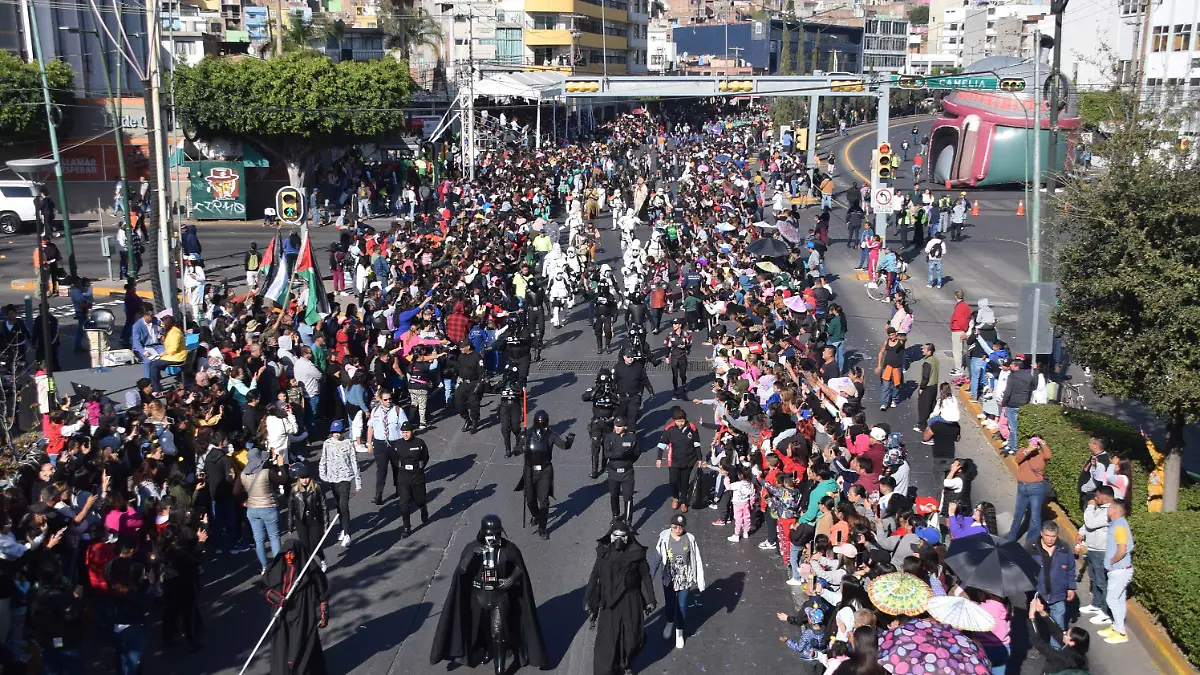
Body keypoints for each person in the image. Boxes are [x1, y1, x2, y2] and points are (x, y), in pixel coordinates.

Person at [430, 515, 548, 674]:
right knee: (483, 628)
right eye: (489, 535)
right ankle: (490, 650)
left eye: (495, 534)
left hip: (499, 595)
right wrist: (473, 554)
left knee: (498, 631)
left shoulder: (509, 548)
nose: (492, 539)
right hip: (478, 595)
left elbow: (520, 568)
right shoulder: (472, 547)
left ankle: (499, 669)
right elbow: (462, 571)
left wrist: (510, 580)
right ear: (483, 533)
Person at [586, 518, 655, 675]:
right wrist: (588, 598)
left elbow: (645, 576)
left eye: (622, 535)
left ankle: (626, 660)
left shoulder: (636, 553)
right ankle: (607, 669)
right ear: (611, 535)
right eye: (615, 535)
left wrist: (651, 599)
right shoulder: (603, 552)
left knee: (632, 636)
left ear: (627, 537)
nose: (619, 539)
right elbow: (595, 574)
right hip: (609, 600)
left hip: (631, 598)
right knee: (608, 638)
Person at [263, 538, 330, 675]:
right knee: (283, 646)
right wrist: (277, 598)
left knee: (301, 645)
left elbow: (322, 588)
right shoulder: (278, 567)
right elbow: (266, 587)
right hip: (282, 614)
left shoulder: (309, 568)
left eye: (292, 553)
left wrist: (324, 609)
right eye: (286, 553)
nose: (289, 557)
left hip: (303, 612)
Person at [648, 513, 706, 650]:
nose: (678, 529)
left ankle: (679, 632)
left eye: (680, 527)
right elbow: (656, 558)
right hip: (669, 578)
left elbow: (697, 559)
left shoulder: (690, 539)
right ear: (671, 526)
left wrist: (700, 580)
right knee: (669, 604)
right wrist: (649, 578)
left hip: (685, 578)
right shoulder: (664, 538)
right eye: (675, 527)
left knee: (682, 606)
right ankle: (669, 622)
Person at [515, 410, 576, 539]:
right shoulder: (526, 435)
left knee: (543, 500)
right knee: (530, 500)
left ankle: (542, 527)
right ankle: (537, 515)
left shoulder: (551, 435)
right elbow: (516, 451)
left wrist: (569, 441)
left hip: (545, 470)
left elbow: (564, 446)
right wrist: (522, 449)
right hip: (529, 470)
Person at [1028, 521, 1077, 648]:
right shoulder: (1030, 548)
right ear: (1041, 534)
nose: (1050, 539)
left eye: (1053, 536)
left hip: (1058, 593)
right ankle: (1038, 646)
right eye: (1047, 535)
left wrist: (1071, 587)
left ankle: (1056, 649)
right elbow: (1023, 568)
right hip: (1037, 593)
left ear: (1057, 535)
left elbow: (1071, 569)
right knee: (1036, 621)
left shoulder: (1064, 548)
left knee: (1058, 622)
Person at [242, 448, 288, 575]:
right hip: (268, 507)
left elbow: (235, 491)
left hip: (252, 509)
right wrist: (281, 465)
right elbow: (283, 480)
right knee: (274, 537)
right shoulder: (266, 473)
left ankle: (264, 567)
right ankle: (279, 566)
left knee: (259, 540)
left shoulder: (243, 474)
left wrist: (243, 501)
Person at [319, 419, 361, 547]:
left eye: (338, 432)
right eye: (334, 432)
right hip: (332, 478)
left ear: (343, 432)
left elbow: (354, 462)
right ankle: (343, 528)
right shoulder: (327, 443)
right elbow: (323, 460)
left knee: (344, 505)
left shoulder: (348, 443)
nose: (336, 434)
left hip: (345, 478)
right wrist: (323, 475)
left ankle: (348, 534)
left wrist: (358, 482)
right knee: (338, 506)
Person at [1099, 499, 1134, 645]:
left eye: (1110, 506)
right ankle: (1116, 627)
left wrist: (1112, 562)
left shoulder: (1119, 526)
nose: (1108, 509)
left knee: (1111, 600)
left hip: (1119, 570)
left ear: (1115, 510)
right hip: (1120, 570)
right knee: (1119, 599)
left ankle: (1121, 632)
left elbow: (1122, 549)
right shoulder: (1118, 524)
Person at [655, 407, 703, 512]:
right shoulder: (669, 429)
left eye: (682, 421)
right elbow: (662, 444)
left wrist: (700, 458)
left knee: (684, 481)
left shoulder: (692, 427)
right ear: (674, 420)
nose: (680, 423)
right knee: (673, 481)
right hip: (673, 460)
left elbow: (696, 443)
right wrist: (659, 458)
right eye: (678, 421)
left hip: (689, 459)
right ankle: (675, 498)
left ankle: (684, 501)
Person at [1077, 485, 1112, 626]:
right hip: (1092, 548)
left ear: (1105, 498)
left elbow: (1091, 522)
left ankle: (1105, 611)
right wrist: (1081, 532)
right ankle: (1096, 604)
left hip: (1101, 551)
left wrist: (1090, 507)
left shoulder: (1109, 511)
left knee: (1102, 581)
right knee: (1093, 579)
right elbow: (1087, 524)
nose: (1094, 499)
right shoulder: (1100, 508)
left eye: (1097, 497)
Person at [1028, 596, 1090, 674]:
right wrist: (1042, 612)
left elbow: (1037, 642)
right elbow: (1056, 631)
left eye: (1067, 634)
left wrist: (1031, 616)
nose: (1064, 633)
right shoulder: (1078, 654)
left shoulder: (1063, 657)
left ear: (1072, 642)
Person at [1006, 436, 1051, 544]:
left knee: (1035, 518)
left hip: (1036, 488)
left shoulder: (1041, 455)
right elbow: (1017, 459)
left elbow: (1048, 455)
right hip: (1022, 488)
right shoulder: (1023, 451)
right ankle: (1010, 538)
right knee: (1018, 515)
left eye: (1036, 441)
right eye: (1032, 440)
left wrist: (1042, 443)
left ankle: (1031, 542)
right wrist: (1029, 449)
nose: (1034, 443)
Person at [366, 389, 406, 505]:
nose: (388, 401)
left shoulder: (398, 410)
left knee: (396, 468)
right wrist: (369, 443)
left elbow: (405, 428)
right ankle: (378, 494)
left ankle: (399, 489)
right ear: (380, 400)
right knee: (381, 469)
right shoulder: (375, 411)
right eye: (385, 399)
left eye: (390, 399)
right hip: (380, 443)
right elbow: (370, 427)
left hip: (395, 442)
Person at [288, 464, 329, 572]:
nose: (305, 480)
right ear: (298, 479)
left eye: (306, 477)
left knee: (315, 544)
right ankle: (309, 567)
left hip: (315, 520)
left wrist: (326, 524)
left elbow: (324, 507)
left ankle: (322, 559)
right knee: (305, 545)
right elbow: (291, 509)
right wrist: (290, 526)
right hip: (301, 522)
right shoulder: (294, 490)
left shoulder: (317, 488)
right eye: (302, 478)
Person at [393, 421, 430, 538]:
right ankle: (406, 527)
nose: (405, 435)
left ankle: (423, 508)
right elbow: (394, 459)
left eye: (407, 432)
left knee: (419, 499)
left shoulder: (420, 443)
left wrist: (420, 466)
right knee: (404, 504)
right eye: (403, 432)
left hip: (417, 477)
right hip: (404, 477)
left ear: (412, 432)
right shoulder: (397, 444)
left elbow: (425, 457)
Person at [602, 417, 640, 522]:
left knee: (628, 498)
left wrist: (629, 461)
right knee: (614, 495)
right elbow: (607, 454)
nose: (617, 428)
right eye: (616, 425)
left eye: (620, 426)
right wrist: (621, 454)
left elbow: (637, 453)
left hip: (627, 473)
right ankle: (616, 516)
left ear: (625, 426)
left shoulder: (632, 437)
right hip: (613, 472)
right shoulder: (609, 437)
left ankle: (628, 522)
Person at [584, 369, 619, 479]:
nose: (605, 386)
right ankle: (594, 470)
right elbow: (584, 397)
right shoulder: (595, 391)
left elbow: (619, 406)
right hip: (596, 422)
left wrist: (612, 418)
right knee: (595, 446)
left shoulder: (614, 392)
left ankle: (605, 466)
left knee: (607, 446)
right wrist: (595, 392)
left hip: (608, 423)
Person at [148, 313, 188, 392]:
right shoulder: (170, 331)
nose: (161, 326)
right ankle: (157, 384)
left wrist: (163, 354)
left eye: (163, 324)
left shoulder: (175, 333)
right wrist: (162, 336)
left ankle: (156, 389)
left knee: (154, 365)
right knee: (156, 363)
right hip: (173, 355)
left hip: (177, 357)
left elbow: (173, 349)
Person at [664, 318, 692, 400]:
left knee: (682, 374)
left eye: (676, 324)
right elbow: (666, 346)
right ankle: (675, 391)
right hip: (674, 357)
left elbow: (690, 343)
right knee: (674, 375)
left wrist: (685, 346)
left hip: (682, 356)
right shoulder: (670, 335)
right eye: (673, 324)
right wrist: (666, 357)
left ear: (680, 325)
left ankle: (684, 383)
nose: (674, 325)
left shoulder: (686, 334)